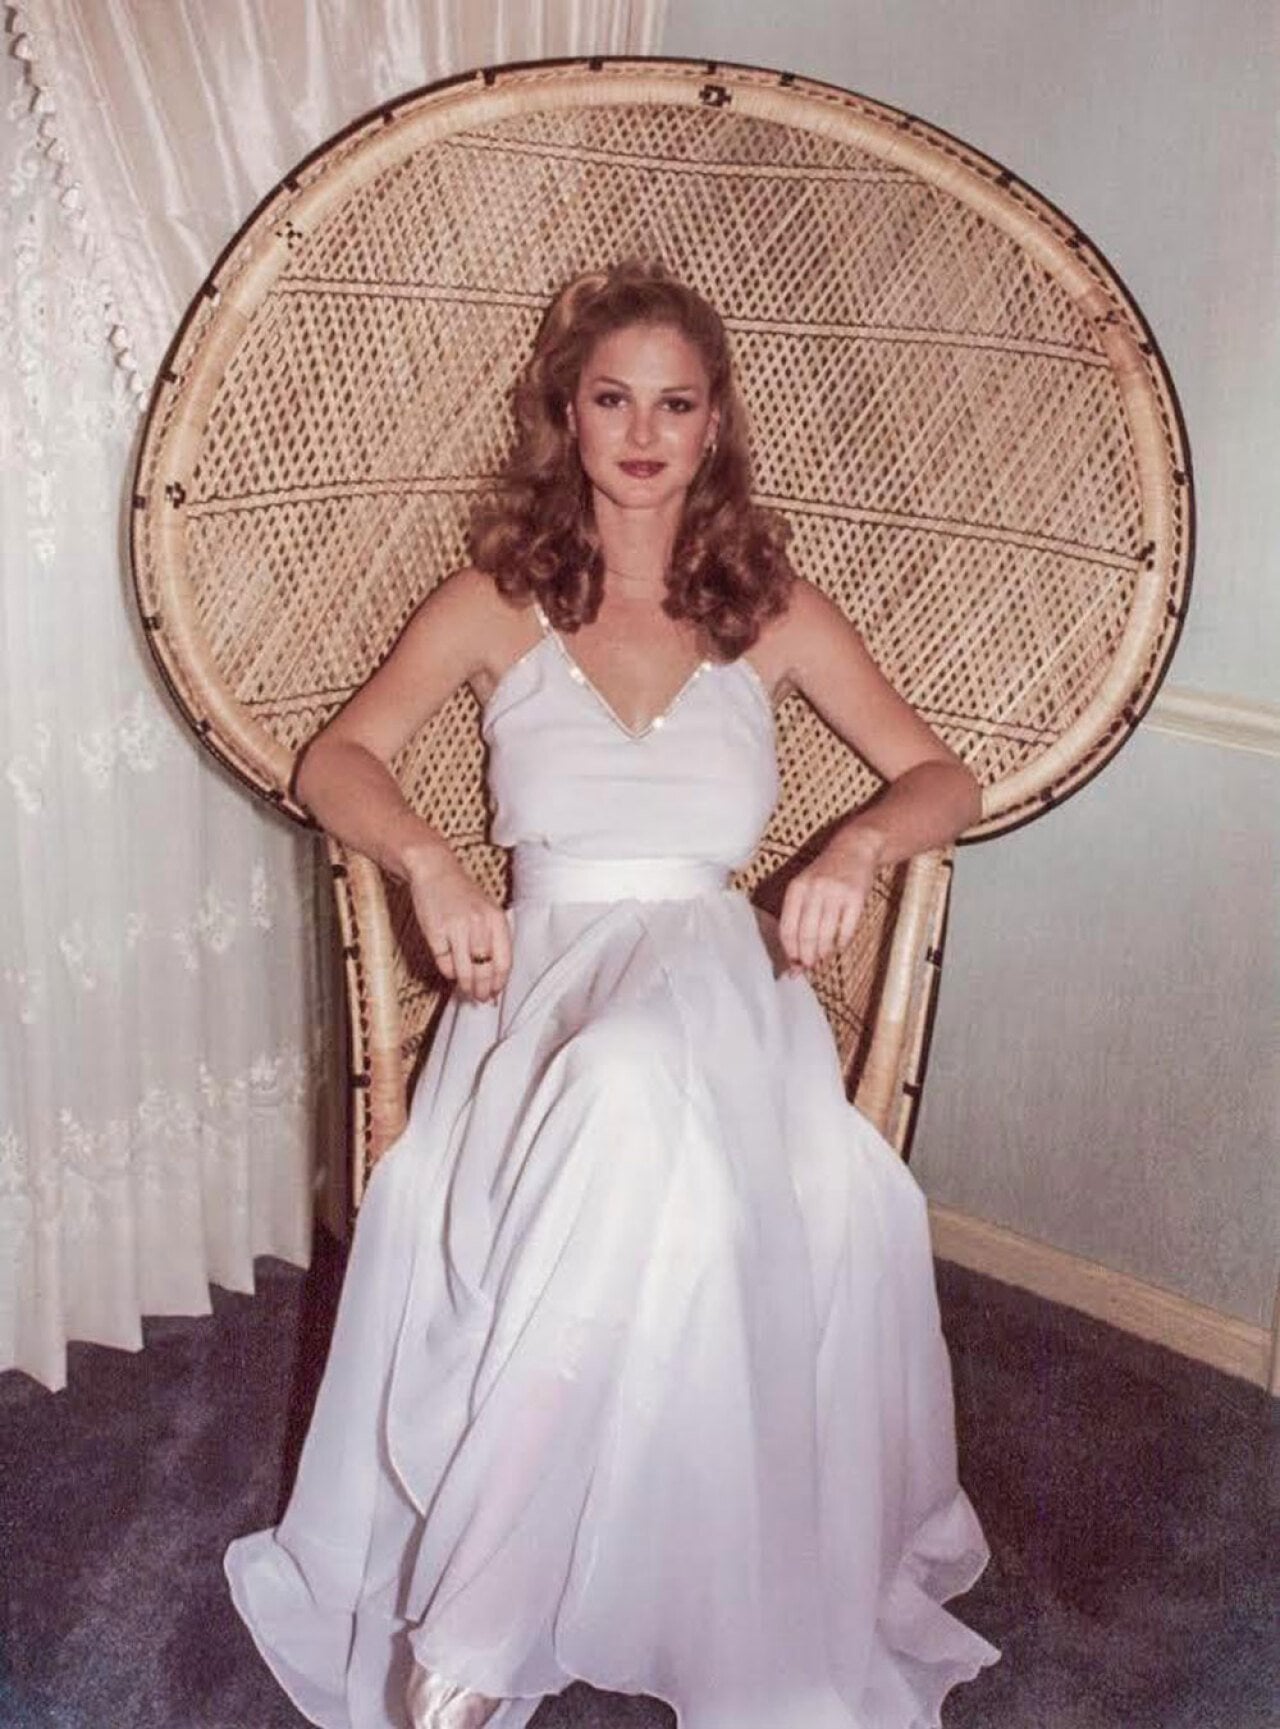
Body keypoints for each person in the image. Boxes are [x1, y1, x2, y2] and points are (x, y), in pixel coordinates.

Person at [225, 259, 999, 1729]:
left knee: (648, 1080)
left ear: (715, 428)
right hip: (541, 984)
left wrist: (860, 840)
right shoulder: (497, 601)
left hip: (716, 980)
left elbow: (941, 773)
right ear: (567, 418)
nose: (643, 430)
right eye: (611, 397)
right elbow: (339, 756)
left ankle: (480, 1626)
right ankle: (510, 1603)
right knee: (616, 1083)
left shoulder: (768, 611)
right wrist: (428, 864)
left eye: (677, 401)